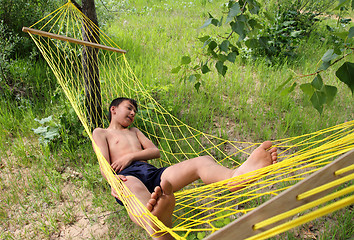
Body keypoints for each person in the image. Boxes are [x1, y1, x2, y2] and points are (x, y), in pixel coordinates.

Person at [92, 97, 278, 240]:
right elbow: (103, 164)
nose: (133, 113)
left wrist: (130, 155)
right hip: (126, 176)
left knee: (201, 161)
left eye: (135, 111)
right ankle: (154, 222)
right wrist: (113, 181)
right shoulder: (101, 132)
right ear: (113, 109)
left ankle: (235, 176)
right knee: (135, 193)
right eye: (129, 108)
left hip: (153, 173)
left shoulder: (134, 131)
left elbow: (154, 151)